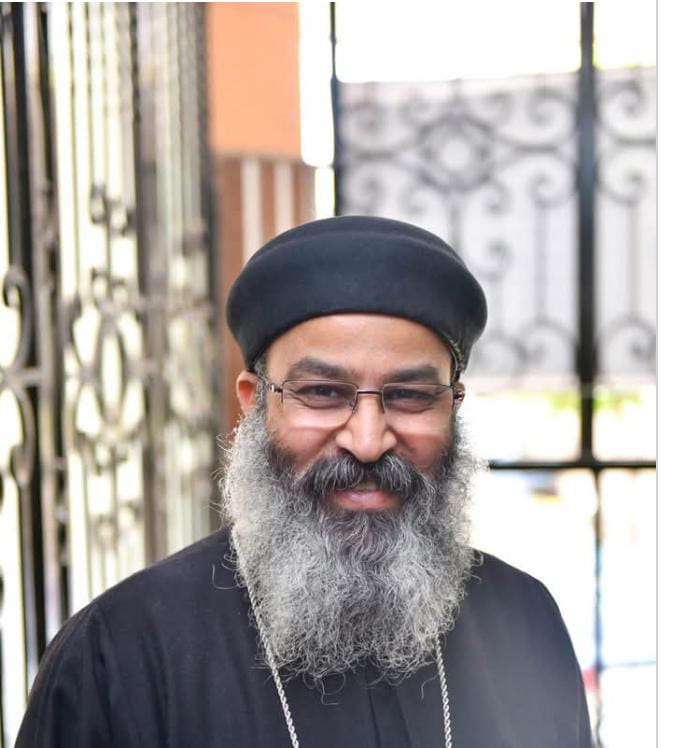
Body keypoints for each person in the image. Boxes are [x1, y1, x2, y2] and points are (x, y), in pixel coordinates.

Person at [17, 216, 592, 747]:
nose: (367, 441)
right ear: (254, 403)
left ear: (453, 407)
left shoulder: (525, 621)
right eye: (322, 393)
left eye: (411, 396)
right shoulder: (119, 654)